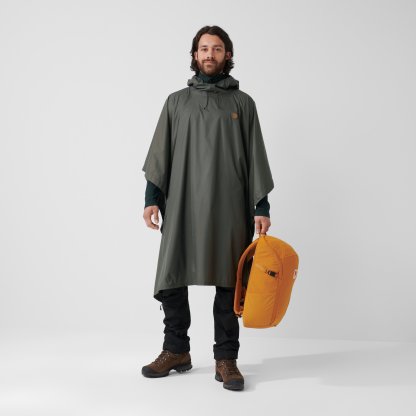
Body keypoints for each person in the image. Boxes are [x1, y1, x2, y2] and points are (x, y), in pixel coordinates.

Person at [140, 25, 274, 391]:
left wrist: (261, 205)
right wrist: (152, 198)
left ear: (228, 55)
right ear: (194, 55)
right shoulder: (175, 102)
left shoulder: (243, 104)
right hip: (182, 202)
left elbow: (255, 156)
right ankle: (176, 350)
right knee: (171, 276)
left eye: (216, 48)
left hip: (229, 204)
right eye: (203, 48)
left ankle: (226, 359)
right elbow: (161, 153)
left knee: (230, 280)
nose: (209, 54)